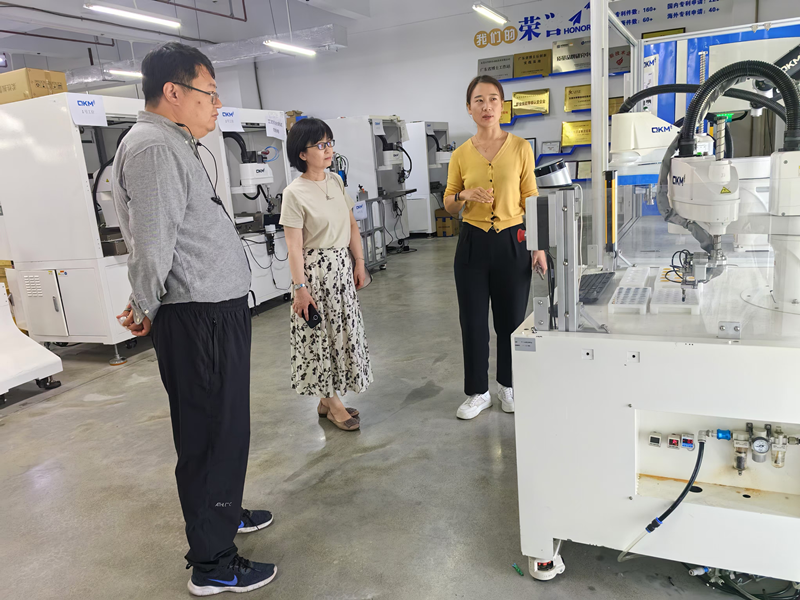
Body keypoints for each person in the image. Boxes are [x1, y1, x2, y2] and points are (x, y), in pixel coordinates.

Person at [112, 42, 276, 596]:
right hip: (197, 316)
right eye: (210, 93)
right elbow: (152, 242)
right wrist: (142, 303)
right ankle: (213, 562)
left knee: (225, 428)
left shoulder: (172, 142)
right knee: (211, 434)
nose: (217, 104)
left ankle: (222, 512)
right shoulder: (154, 148)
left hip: (213, 311)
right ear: (173, 92)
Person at [443, 75, 547, 421]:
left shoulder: (520, 148)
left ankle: (508, 384)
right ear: (469, 108)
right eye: (478, 100)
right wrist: (463, 195)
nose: (486, 106)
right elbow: (448, 202)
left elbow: (531, 196)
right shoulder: (460, 154)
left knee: (511, 320)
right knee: (473, 320)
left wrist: (538, 246)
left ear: (502, 106)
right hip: (472, 242)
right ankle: (478, 392)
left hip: (512, 239)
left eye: (492, 99)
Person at [280, 118, 373, 431]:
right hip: (314, 275)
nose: (328, 149)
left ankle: (326, 400)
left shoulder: (335, 181)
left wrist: (359, 261)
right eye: (320, 145)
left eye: (330, 143)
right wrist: (300, 288)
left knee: (340, 335)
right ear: (302, 153)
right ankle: (334, 405)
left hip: (341, 270)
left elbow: (352, 225)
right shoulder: (294, 193)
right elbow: (294, 247)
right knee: (319, 337)